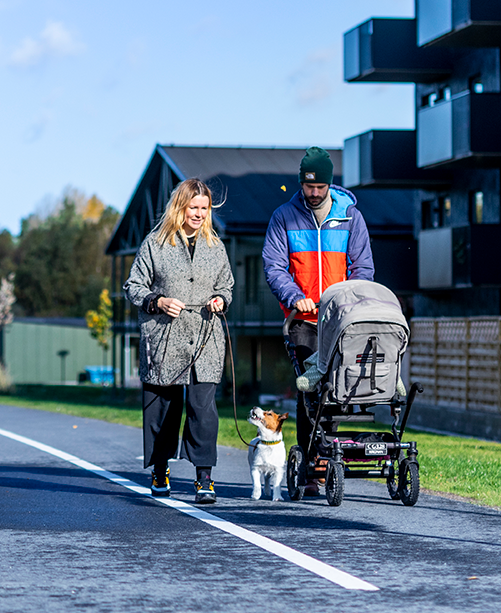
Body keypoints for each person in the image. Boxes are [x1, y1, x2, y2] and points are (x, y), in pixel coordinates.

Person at [261, 146, 374, 473]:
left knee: (337, 389)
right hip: (304, 320)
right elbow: (274, 267)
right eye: (308, 187)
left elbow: (363, 268)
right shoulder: (284, 217)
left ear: (329, 184)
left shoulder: (350, 217)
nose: (313, 193)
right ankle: (313, 464)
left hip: (340, 321)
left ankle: (330, 456)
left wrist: (346, 299)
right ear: (301, 183)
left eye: (319, 188)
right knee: (311, 390)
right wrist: (294, 296)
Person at [124, 177, 234, 504]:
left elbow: (226, 286)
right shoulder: (155, 244)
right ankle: (160, 470)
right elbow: (133, 287)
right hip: (165, 341)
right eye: (194, 207)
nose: (199, 214)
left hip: (205, 340)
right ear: (180, 207)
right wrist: (158, 301)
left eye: (204, 208)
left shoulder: (216, 247)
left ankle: (205, 479)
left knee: (203, 410)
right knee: (164, 410)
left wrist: (220, 300)